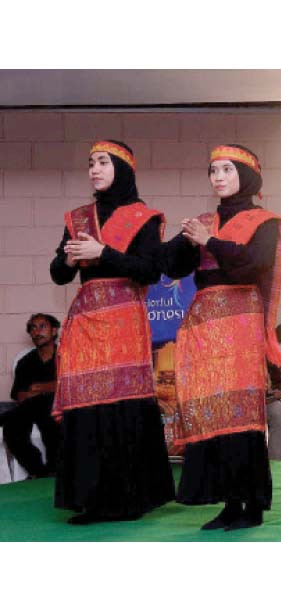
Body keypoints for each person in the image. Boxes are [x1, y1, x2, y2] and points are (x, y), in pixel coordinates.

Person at [160, 144, 281, 531]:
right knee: (210, 410)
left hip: (240, 322)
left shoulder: (265, 221)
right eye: (213, 170)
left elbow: (253, 266)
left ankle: (251, 504)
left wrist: (209, 242)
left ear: (246, 176)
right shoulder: (203, 220)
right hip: (203, 324)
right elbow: (171, 266)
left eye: (227, 170)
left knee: (241, 414)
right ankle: (229, 503)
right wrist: (180, 242)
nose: (218, 177)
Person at [50, 140, 175, 524]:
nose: (94, 170)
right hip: (86, 320)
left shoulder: (143, 217)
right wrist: (69, 259)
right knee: (87, 405)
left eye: (103, 162)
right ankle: (91, 499)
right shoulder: (78, 218)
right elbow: (59, 275)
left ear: (122, 167)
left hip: (123, 318)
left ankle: (128, 498)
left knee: (120, 403)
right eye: (90, 164)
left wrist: (103, 254)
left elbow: (151, 271)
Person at [1, 314, 61, 478]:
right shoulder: (26, 362)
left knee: (51, 421)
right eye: (33, 328)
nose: (37, 332)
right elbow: (20, 395)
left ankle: (54, 470)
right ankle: (39, 473)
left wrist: (39, 388)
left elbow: (68, 386)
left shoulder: (65, 356)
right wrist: (51, 387)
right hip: (31, 406)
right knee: (12, 429)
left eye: (42, 326)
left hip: (56, 405)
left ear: (54, 330)